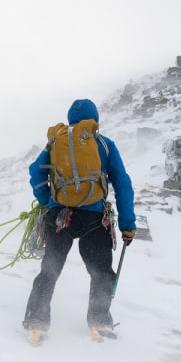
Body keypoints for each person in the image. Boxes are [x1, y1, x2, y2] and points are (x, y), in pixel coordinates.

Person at [23, 98, 136, 342]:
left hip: (59, 216)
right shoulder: (103, 144)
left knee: (50, 270)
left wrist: (48, 201)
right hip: (94, 218)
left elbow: (35, 172)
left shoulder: (56, 143)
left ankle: (37, 318)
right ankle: (99, 319)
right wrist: (128, 225)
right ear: (94, 120)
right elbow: (122, 183)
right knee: (101, 272)